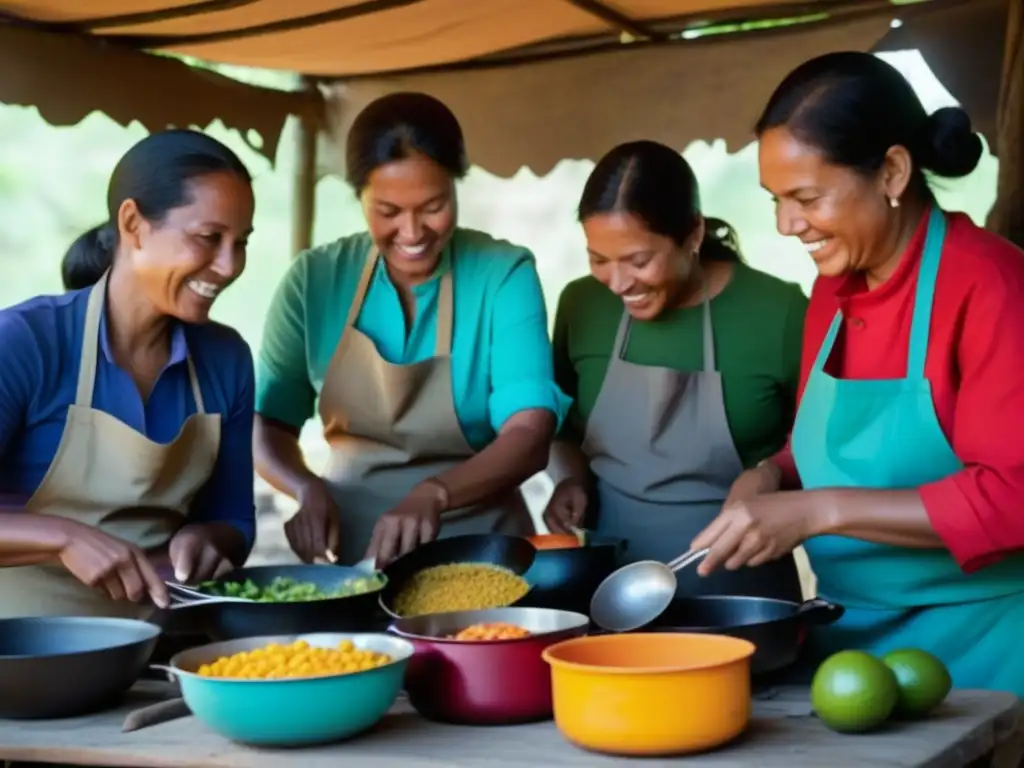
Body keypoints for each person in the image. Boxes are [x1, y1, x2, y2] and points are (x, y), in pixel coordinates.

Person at [691, 51, 1024, 695]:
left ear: (893, 171)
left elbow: (1014, 496)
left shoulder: (991, 284)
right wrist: (769, 476)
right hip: (848, 643)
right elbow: (826, 441)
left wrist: (818, 512)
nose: (786, 225)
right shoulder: (833, 290)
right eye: (775, 200)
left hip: (985, 645)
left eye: (806, 197)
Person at [254, 92, 570, 567]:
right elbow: (267, 423)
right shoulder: (314, 281)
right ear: (359, 195)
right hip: (352, 553)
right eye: (387, 211)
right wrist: (305, 486)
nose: (412, 231)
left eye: (433, 206)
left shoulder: (502, 275)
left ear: (458, 185)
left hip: (482, 549)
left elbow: (529, 432)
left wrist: (437, 493)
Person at [0, 129, 258, 619]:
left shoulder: (226, 359)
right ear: (134, 224)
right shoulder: (25, 343)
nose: (228, 266)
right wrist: (63, 537)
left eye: (240, 243)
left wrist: (209, 539)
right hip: (18, 656)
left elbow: (235, 519)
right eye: (208, 238)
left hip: (156, 648)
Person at [543, 140, 806, 601]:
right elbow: (560, 422)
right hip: (612, 592)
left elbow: (823, 443)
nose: (619, 283)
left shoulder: (779, 312)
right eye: (599, 259)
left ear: (692, 235)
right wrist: (571, 479)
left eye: (639, 261)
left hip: (740, 593)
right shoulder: (580, 304)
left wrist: (769, 475)